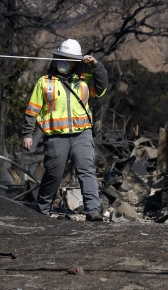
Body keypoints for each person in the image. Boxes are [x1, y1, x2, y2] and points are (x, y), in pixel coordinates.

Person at [22, 39, 108, 221]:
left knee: (87, 169)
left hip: (81, 133)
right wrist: (27, 134)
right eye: (61, 57)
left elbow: (101, 87)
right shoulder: (45, 82)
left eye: (68, 59)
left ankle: (93, 210)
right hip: (55, 136)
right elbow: (32, 110)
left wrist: (96, 65)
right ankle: (42, 210)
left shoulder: (85, 80)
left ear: (76, 62)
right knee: (54, 173)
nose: (64, 61)